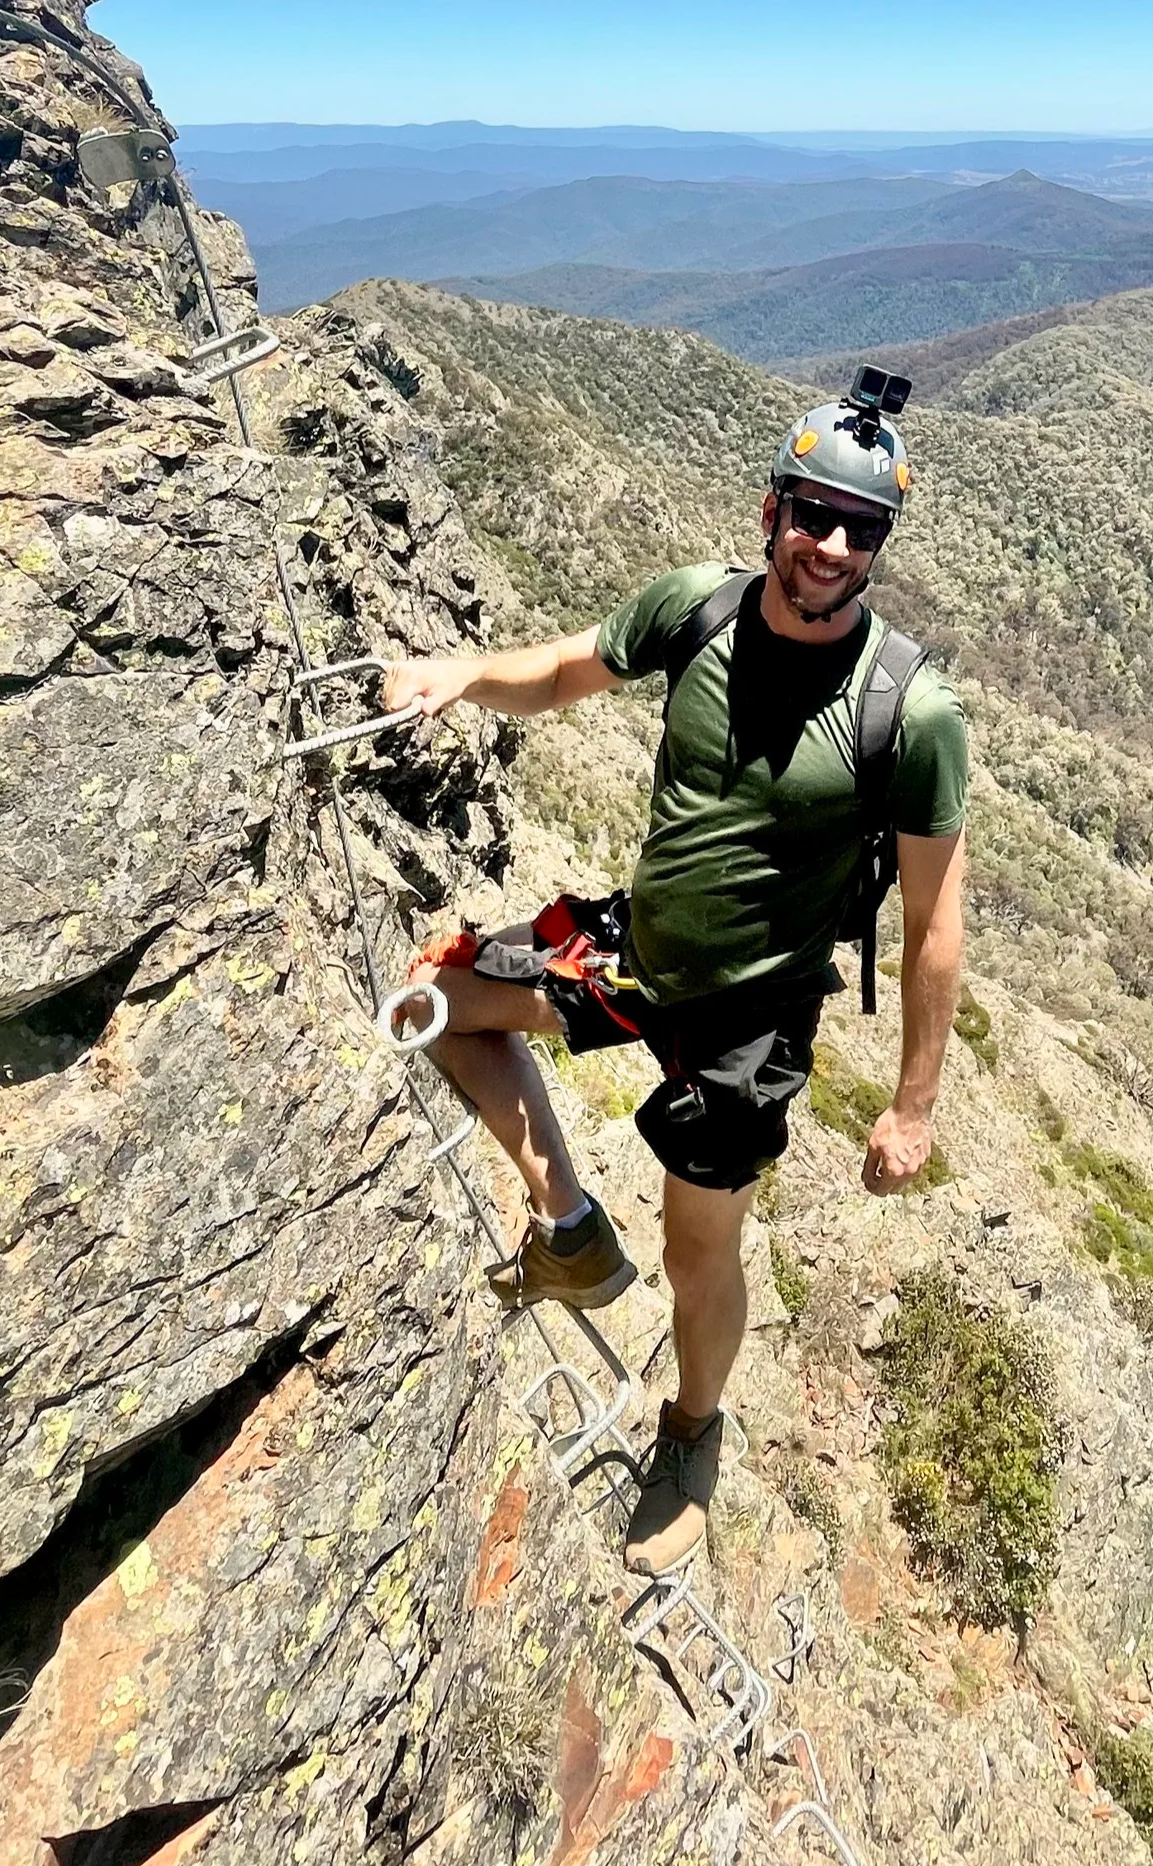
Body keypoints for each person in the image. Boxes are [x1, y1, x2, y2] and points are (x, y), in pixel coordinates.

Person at [378, 378, 968, 1575]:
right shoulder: (695, 610)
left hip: (748, 1028)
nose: (833, 546)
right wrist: (459, 674)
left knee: (701, 1250)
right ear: (773, 507)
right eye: (815, 513)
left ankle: (693, 1432)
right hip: (634, 952)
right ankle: (568, 1224)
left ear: (881, 549)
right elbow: (562, 670)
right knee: (427, 1005)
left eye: (862, 529)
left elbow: (933, 916)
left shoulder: (911, 711)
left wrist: (913, 1103)